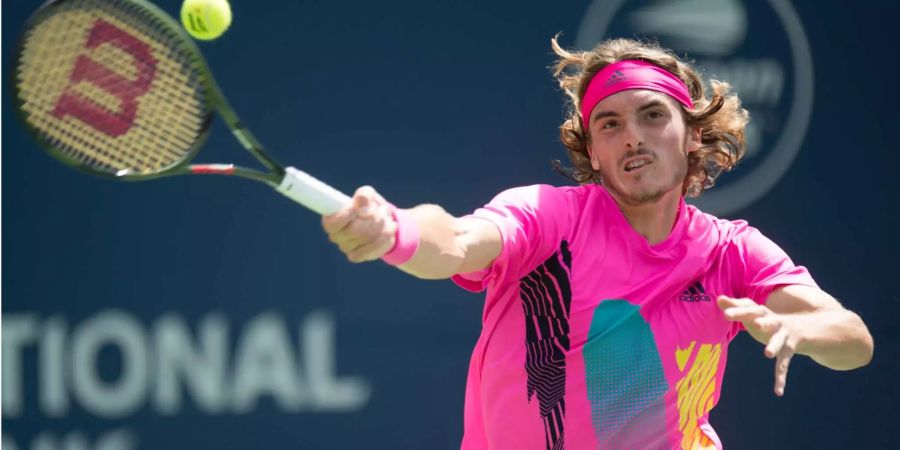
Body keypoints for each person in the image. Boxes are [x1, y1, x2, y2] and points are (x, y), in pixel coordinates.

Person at [321, 37, 874, 450]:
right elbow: (460, 240)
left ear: (694, 133)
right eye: (609, 124)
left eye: (653, 115)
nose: (632, 135)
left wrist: (798, 327)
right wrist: (398, 231)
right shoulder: (549, 217)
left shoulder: (732, 252)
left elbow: (853, 340)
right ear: (593, 151)